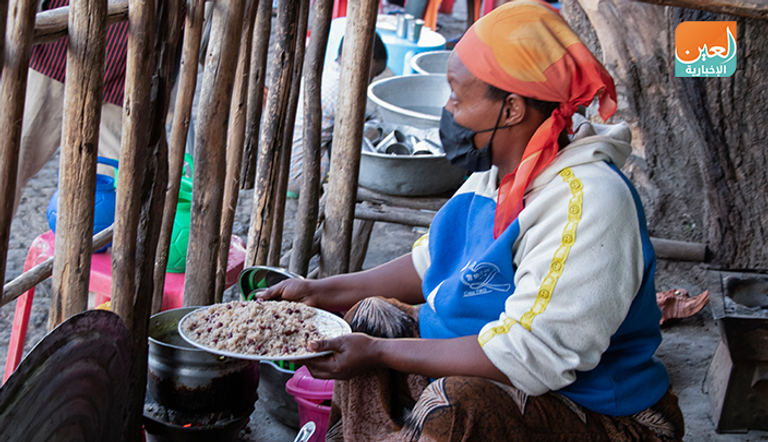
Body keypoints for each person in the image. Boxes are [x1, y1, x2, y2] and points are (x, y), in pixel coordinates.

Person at [263, 1, 685, 441]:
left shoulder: (592, 200)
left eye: (456, 97)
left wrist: (381, 352)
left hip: (605, 415)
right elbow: (430, 262)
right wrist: (316, 291)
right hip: (506, 368)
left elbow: (530, 356)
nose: (447, 111)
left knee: (457, 404)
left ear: (512, 109)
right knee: (371, 315)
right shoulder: (494, 174)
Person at [14, 0, 127, 216]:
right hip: (61, 44)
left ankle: (99, 247)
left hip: (131, 65)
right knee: (10, 158)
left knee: (114, 193)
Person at [286, 32, 388, 197]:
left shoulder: (326, 73)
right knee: (359, 138)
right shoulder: (345, 90)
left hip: (285, 170)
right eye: (374, 74)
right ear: (364, 58)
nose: (370, 81)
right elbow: (361, 130)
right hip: (302, 176)